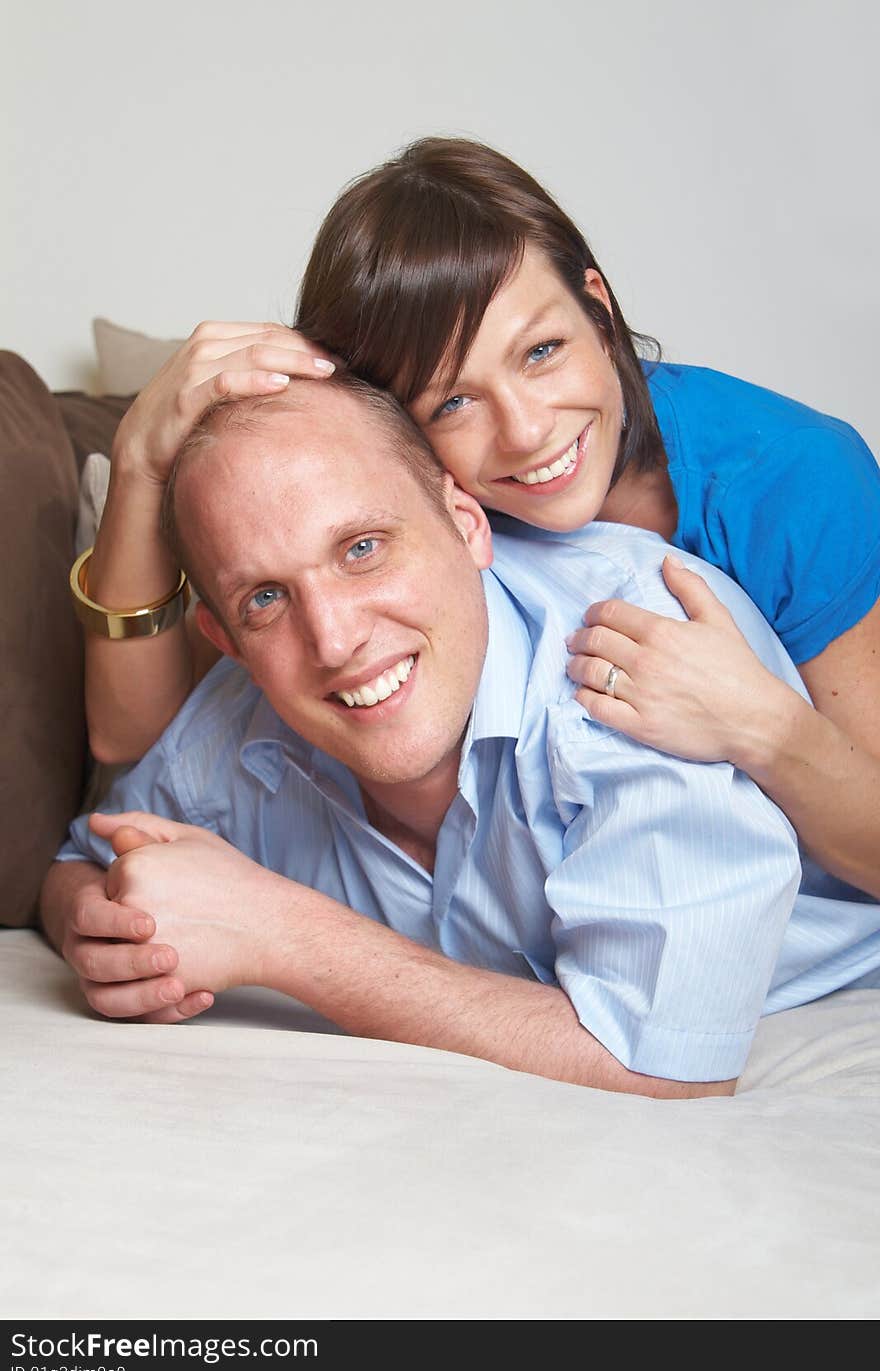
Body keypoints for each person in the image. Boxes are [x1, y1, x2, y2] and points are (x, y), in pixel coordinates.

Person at [75, 138, 880, 896]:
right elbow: (133, 738)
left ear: (596, 310)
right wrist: (143, 463)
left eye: (541, 352)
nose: (528, 430)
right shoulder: (384, 517)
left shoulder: (788, 481)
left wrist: (762, 728)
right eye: (454, 400)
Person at [43, 375, 880, 1097]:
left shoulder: (638, 660)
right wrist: (102, 931)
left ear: (466, 522)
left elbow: (664, 1071)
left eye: (362, 548)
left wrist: (282, 935)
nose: (333, 640)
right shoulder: (239, 716)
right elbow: (87, 857)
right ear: (226, 640)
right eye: (265, 598)